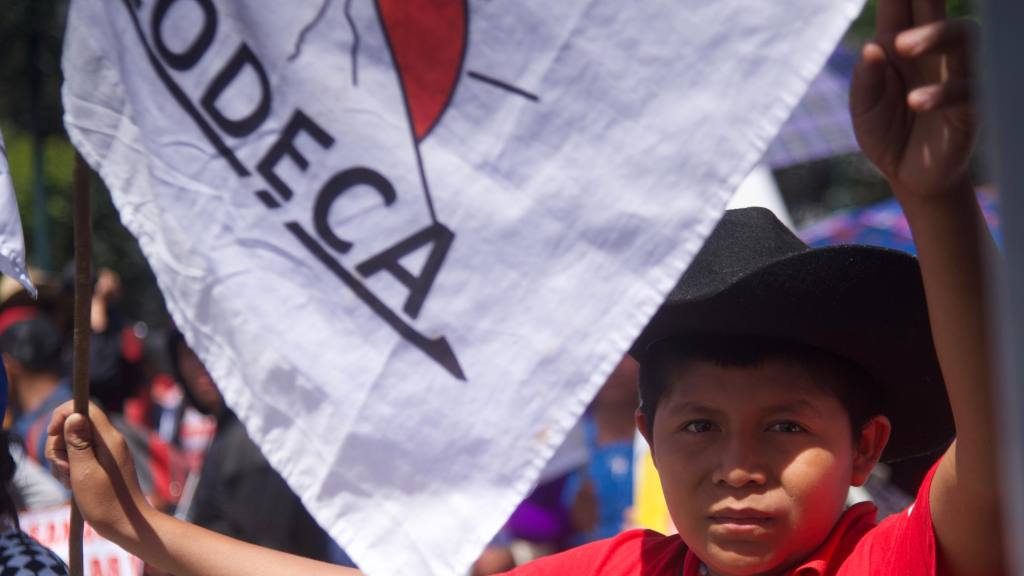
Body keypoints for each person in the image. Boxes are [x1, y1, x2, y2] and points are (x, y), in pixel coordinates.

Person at [44, 1, 1005, 575]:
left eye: (786, 428)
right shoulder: (634, 565)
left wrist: (935, 199)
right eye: (699, 425)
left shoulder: (890, 558)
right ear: (648, 435)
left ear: (867, 446)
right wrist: (148, 533)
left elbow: (1003, 443)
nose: (736, 465)